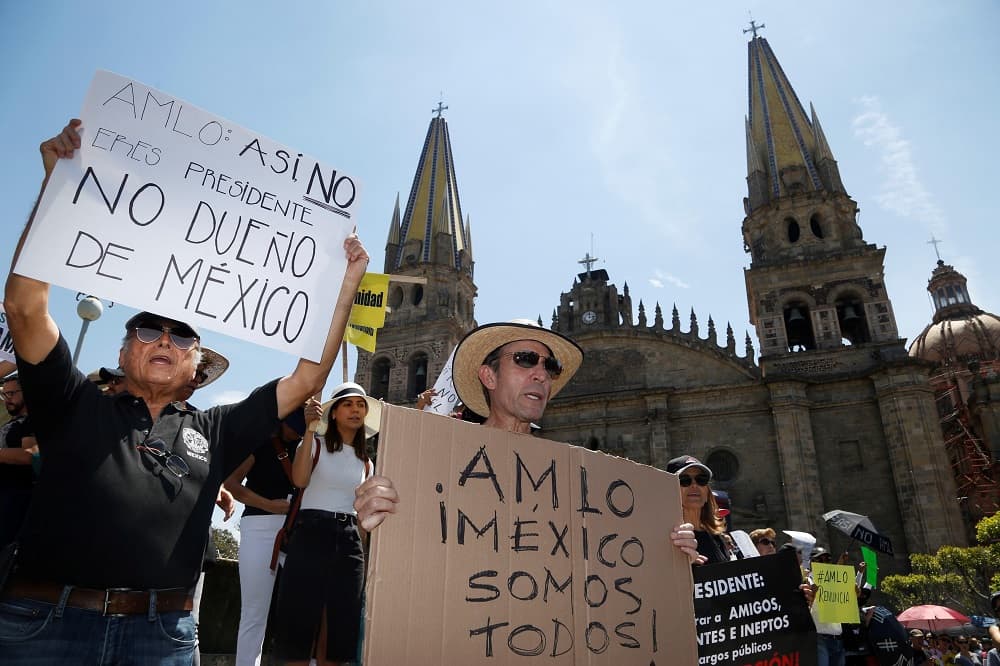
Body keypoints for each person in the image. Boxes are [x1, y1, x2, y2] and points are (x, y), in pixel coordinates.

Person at [0, 118, 369, 664]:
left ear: (198, 366)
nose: (164, 339)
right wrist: (57, 190)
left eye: (182, 336)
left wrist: (344, 289)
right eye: (147, 329)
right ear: (123, 351)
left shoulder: (215, 428)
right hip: (43, 630)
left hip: (162, 638)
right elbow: (25, 307)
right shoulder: (70, 403)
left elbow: (308, 380)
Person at [353, 319, 701, 560]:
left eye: (549, 367)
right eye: (525, 360)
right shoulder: (437, 461)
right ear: (488, 375)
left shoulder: (570, 477)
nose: (541, 373)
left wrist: (667, 548)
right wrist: (373, 522)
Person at [273, 382, 380, 666]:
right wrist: (309, 430)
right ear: (333, 413)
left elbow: (363, 515)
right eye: (348, 404)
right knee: (299, 615)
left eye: (360, 405)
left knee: (342, 620)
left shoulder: (367, 463)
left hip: (349, 540)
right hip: (311, 531)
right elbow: (300, 480)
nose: (355, 410)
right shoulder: (315, 445)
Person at [224, 414, 304, 666]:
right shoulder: (259, 444)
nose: (297, 431)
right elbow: (231, 484)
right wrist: (268, 505)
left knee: (304, 609)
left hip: (300, 530)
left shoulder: (310, 447)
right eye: (294, 425)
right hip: (259, 527)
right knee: (254, 611)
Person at [666, 455, 733, 564]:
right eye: (684, 480)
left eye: (701, 480)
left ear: (707, 492)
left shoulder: (716, 536)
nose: (694, 485)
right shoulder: (669, 538)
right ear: (670, 491)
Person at [0, 372, 36, 547]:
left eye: (12, 393)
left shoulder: (33, 421)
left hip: (14, 498)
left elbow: (29, 455)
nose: (7, 398)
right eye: (5, 394)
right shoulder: (12, 423)